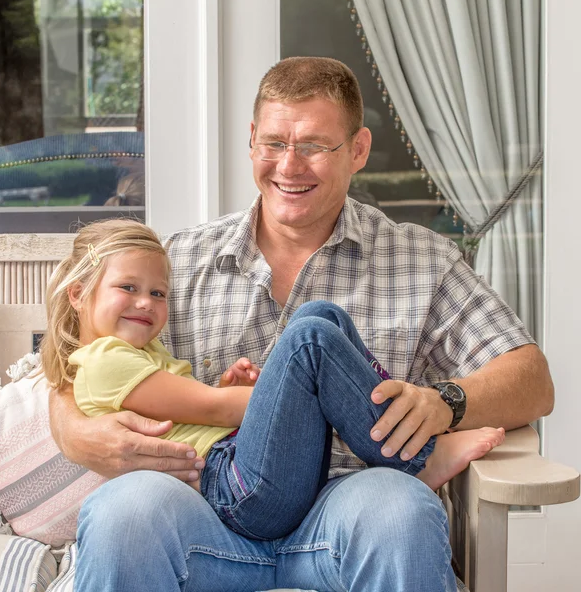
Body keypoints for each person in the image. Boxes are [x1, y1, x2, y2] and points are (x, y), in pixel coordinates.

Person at [49, 57, 554, 592]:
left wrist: (444, 403)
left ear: (357, 150)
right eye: (273, 143)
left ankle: (413, 464)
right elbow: (83, 365)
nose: (289, 165)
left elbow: (532, 378)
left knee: (399, 508)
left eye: (314, 145)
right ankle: (419, 462)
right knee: (122, 511)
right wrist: (74, 431)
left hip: (350, 508)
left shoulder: (421, 260)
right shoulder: (178, 261)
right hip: (208, 509)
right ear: (251, 141)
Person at [42, 218, 504, 540]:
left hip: (247, 473)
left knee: (319, 317)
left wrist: (235, 389)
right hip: (236, 492)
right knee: (308, 343)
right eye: (129, 288)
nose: (146, 302)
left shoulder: (137, 352)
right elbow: (211, 410)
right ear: (79, 294)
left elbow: (195, 408)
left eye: (158, 292)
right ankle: (418, 457)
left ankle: (404, 446)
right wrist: (290, 389)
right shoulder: (104, 362)